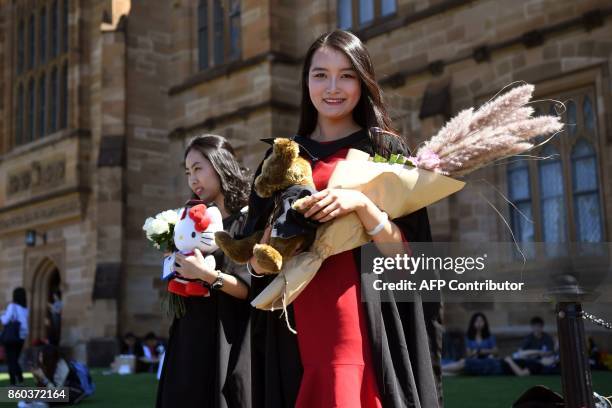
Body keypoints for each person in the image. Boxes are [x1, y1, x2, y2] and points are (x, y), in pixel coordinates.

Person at [246, 30, 440, 407]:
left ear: (363, 81)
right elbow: (255, 265)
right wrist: (271, 241)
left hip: (361, 312)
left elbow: (411, 262)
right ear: (306, 82)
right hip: (293, 320)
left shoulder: (384, 149)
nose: (333, 87)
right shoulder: (283, 156)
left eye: (347, 75)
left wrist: (362, 206)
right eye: (320, 75)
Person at [156, 134, 251, 408]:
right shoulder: (188, 221)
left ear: (221, 165)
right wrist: (174, 263)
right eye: (188, 172)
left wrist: (206, 275)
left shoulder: (245, 221)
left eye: (198, 168)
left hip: (225, 336)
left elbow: (248, 290)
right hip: (188, 334)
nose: (192, 179)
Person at [1, 287, 29, 386]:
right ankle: (20, 380)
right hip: (21, 338)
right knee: (14, 360)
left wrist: (2, 315)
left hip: (11, 336)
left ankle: (14, 382)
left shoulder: (12, 306)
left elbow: (5, 320)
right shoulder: (25, 309)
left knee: (11, 360)